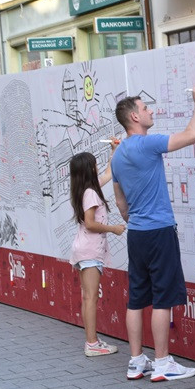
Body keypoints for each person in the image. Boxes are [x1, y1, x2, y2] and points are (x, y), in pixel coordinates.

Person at [111, 87, 195, 382]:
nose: (151, 111)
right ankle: (163, 362)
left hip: (137, 234)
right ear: (134, 116)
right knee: (162, 298)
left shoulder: (117, 155)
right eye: (146, 107)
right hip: (158, 231)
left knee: (137, 299)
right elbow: (193, 135)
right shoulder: (146, 144)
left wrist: (134, 219)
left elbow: (119, 202)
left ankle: (136, 360)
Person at [68, 149, 125, 357]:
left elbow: (109, 173)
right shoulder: (91, 192)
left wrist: (114, 152)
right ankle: (92, 343)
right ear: (88, 169)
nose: (97, 167)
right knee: (91, 298)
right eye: (93, 164)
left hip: (83, 248)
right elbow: (91, 223)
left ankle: (91, 341)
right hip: (90, 250)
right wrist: (114, 229)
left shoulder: (85, 189)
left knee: (87, 297)